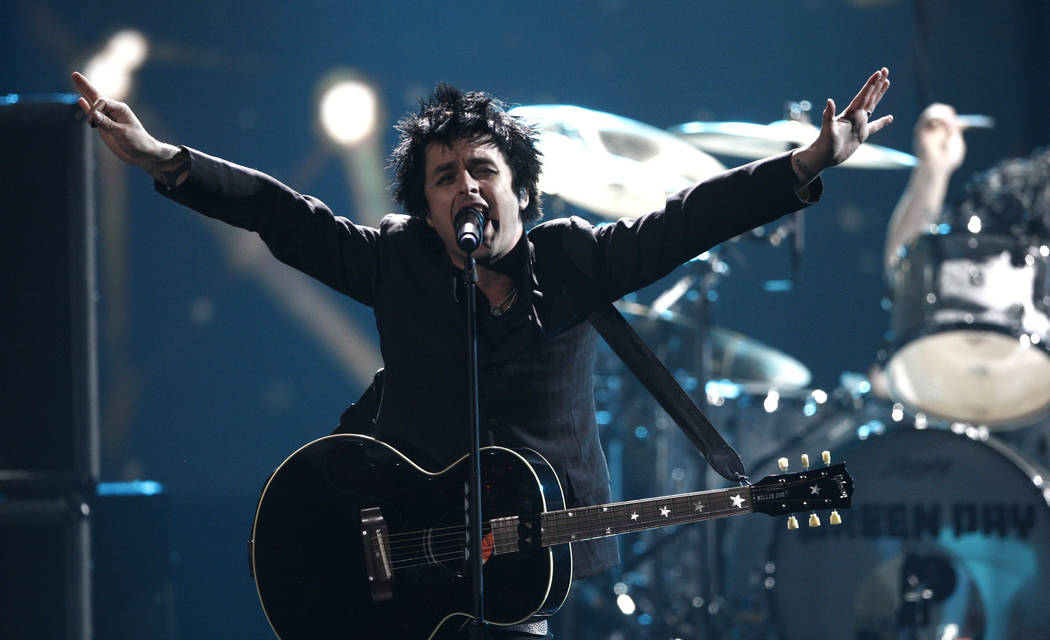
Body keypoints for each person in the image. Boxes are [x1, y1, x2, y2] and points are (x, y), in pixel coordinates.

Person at [72, 68, 893, 638]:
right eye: (443, 177)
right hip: (395, 551)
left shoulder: (575, 257)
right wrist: (166, 163)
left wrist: (806, 164)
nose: (465, 185)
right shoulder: (397, 263)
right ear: (426, 208)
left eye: (482, 170)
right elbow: (284, 216)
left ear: (522, 192)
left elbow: (690, 218)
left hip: (521, 562)